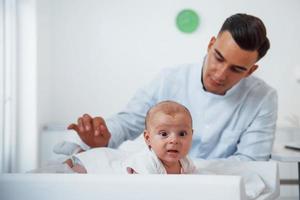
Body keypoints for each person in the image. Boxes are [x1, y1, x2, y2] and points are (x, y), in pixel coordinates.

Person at [68, 13, 277, 161]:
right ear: (211, 44)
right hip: (163, 185)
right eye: (218, 58)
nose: (220, 74)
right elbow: (129, 121)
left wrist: (189, 170)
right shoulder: (170, 79)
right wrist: (106, 134)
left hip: (221, 190)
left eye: (237, 69)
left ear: (251, 71)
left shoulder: (263, 98)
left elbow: (251, 161)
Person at [62, 100, 196, 174]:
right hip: (104, 166)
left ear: (192, 135)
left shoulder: (186, 162)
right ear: (148, 138)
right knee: (75, 171)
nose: (174, 140)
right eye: (164, 134)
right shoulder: (148, 162)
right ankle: (76, 157)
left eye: (182, 134)